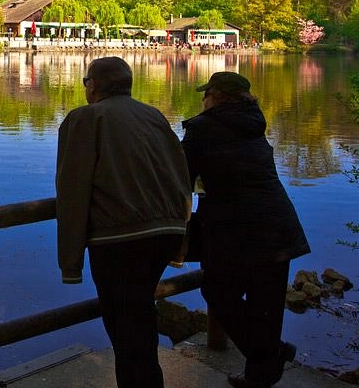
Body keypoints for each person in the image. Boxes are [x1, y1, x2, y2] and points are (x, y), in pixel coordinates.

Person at [56, 56, 191, 388]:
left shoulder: (85, 118)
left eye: (85, 81)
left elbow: (72, 190)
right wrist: (180, 243)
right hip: (166, 232)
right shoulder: (154, 116)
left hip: (120, 240)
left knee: (126, 328)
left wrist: (70, 265)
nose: (85, 87)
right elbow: (181, 175)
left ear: (94, 85)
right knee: (138, 317)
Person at [182, 71, 311, 388]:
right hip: (279, 227)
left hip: (235, 232)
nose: (203, 100)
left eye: (206, 94)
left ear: (216, 96)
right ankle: (260, 375)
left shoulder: (201, 129)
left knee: (217, 292)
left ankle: (271, 354)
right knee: (265, 306)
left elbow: (180, 178)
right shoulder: (255, 125)